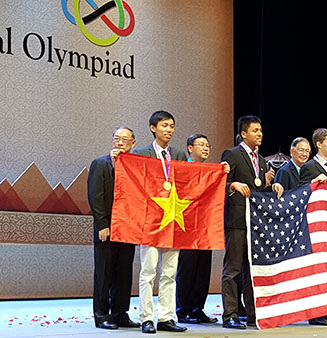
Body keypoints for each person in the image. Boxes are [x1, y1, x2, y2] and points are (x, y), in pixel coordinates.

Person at [220, 115, 284, 329]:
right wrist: (233, 184)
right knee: (233, 268)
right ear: (244, 133)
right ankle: (230, 314)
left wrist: (271, 186)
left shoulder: (262, 160)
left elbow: (258, 189)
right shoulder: (232, 154)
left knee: (251, 269)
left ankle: (251, 313)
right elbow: (221, 181)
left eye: (261, 131)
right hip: (237, 220)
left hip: (255, 223)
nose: (260, 134)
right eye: (255, 130)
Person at [133, 111, 189, 333]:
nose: (169, 130)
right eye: (165, 125)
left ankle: (166, 317)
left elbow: (190, 180)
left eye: (172, 126)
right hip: (150, 221)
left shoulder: (178, 154)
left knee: (169, 273)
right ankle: (146, 317)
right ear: (153, 128)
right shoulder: (140, 154)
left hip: (173, 220)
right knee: (148, 273)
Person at [87, 126, 140, 330]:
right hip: (107, 228)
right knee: (104, 272)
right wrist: (102, 224)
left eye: (125, 139)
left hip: (128, 228)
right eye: (117, 138)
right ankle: (101, 314)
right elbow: (95, 196)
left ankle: (120, 313)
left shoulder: (136, 168)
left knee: (123, 273)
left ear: (132, 144)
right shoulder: (101, 164)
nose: (120, 142)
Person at [176, 134, 230, 324]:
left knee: (202, 271)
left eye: (208, 145)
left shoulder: (210, 170)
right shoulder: (182, 168)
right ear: (190, 148)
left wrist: (223, 174)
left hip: (205, 226)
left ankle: (198, 309)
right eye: (201, 145)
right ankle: (183, 311)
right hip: (186, 226)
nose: (206, 148)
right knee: (187, 269)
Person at [298, 128, 327, 326]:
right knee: (317, 270)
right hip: (316, 226)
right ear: (319, 144)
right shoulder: (309, 167)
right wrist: (315, 182)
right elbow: (301, 193)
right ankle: (315, 312)